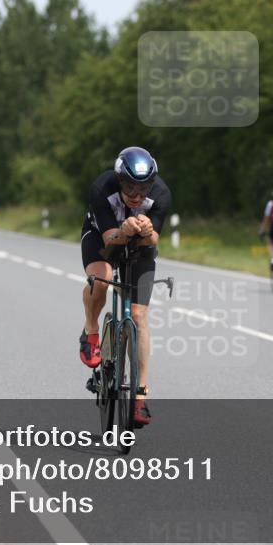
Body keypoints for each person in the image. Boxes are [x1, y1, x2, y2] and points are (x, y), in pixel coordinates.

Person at [79, 146, 171, 427]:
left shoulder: (161, 195)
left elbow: (153, 240)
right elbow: (109, 240)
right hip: (101, 237)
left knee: (140, 317)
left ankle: (140, 396)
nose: (137, 195)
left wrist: (145, 232)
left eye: (143, 188)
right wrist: (126, 229)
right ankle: (92, 330)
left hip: (138, 245)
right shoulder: (101, 188)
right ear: (119, 181)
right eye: (130, 187)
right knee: (101, 280)